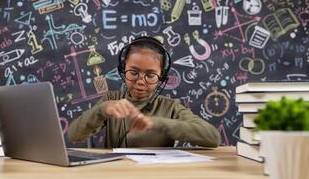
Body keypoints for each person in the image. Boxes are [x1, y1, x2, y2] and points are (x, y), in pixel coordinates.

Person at [68, 36, 221, 148]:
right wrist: (102, 110)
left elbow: (213, 138)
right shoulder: (112, 100)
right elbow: (74, 135)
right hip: (116, 176)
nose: (141, 81)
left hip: (155, 178)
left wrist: (157, 123)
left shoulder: (170, 107)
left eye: (150, 75)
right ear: (123, 69)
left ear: (161, 77)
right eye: (133, 72)